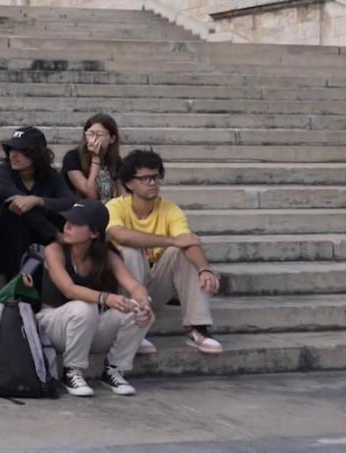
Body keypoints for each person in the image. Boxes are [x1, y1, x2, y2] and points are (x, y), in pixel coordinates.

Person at [106, 150, 223, 355]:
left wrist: (205, 269)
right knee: (129, 251)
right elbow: (120, 235)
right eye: (145, 178)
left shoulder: (170, 209)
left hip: (155, 285)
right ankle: (132, 327)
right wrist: (171, 240)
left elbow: (188, 241)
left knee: (182, 251)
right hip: (124, 289)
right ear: (129, 183)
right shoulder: (115, 207)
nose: (152, 182)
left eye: (156, 176)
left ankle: (197, 328)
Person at [33, 200, 152, 397]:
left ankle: (114, 369)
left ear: (94, 233)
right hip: (52, 324)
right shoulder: (54, 251)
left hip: (87, 327)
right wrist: (105, 298)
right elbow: (69, 289)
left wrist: (144, 302)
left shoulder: (106, 255)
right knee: (85, 307)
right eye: (67, 220)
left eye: (77, 223)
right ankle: (72, 371)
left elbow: (133, 285)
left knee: (137, 310)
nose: (67, 226)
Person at [0, 126, 75, 278]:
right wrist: (55, 234)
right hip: (6, 246)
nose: (13, 155)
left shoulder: (50, 175)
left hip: (40, 241)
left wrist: (38, 200)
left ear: (36, 154)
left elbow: (70, 202)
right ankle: (15, 287)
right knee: (16, 214)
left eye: (21, 150)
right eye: (10, 149)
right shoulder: (2, 173)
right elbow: (21, 208)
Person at [62, 114, 126, 202]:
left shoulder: (115, 160)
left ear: (112, 139)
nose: (94, 139)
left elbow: (122, 195)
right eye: (90, 134)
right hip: (81, 208)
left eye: (99, 135)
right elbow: (90, 195)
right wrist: (95, 159)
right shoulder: (72, 157)